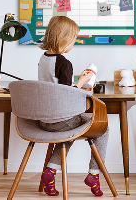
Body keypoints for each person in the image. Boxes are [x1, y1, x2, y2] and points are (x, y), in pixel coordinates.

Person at [38, 16, 108, 197]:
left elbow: (55, 89)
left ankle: (50, 172)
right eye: (73, 39)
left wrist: (77, 84)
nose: (73, 43)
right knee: (103, 128)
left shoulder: (43, 59)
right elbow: (66, 95)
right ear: (64, 38)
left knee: (68, 131)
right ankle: (94, 174)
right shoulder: (64, 63)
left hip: (44, 120)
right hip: (61, 120)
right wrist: (82, 82)